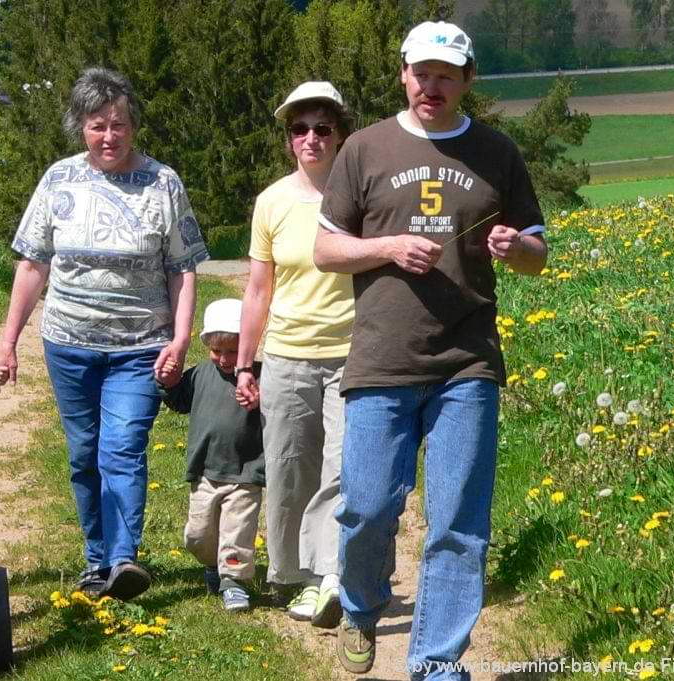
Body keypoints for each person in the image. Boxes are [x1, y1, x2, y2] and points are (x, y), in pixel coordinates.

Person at [311, 21, 549, 679]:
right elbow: (326, 248)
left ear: (468, 79)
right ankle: (360, 608)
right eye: (422, 72)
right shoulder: (365, 148)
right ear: (403, 74)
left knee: (458, 522)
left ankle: (436, 660)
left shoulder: (497, 151)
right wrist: (386, 247)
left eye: (447, 74)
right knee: (365, 509)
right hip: (382, 359)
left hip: (467, 361)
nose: (432, 85)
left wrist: (516, 248)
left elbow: (536, 252)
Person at [0, 67, 210, 602]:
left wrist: (181, 340)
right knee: (84, 452)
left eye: (118, 125)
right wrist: (8, 340)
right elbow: (32, 265)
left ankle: (122, 558)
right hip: (68, 344)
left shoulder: (164, 183)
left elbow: (183, 269)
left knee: (123, 448)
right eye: (96, 126)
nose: (108, 136)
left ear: (134, 127)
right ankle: (95, 558)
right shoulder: (58, 181)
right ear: (80, 128)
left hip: (140, 348)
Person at [234, 81, 356, 629]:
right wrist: (244, 361)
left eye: (322, 128)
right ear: (289, 140)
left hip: (354, 352)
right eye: (299, 130)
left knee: (342, 466)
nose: (311, 138)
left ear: (340, 134)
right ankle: (292, 575)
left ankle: (332, 573)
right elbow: (258, 289)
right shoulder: (272, 202)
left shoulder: (363, 193)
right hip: (285, 354)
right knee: (286, 469)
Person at [157, 299, 264, 613]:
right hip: (204, 470)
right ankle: (211, 563)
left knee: (237, 531)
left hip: (245, 471)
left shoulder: (259, 376)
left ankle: (234, 581)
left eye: (233, 351)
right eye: (217, 351)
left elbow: (278, 412)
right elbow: (179, 401)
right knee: (198, 534)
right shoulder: (201, 374)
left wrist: (260, 403)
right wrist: (166, 381)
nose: (225, 359)